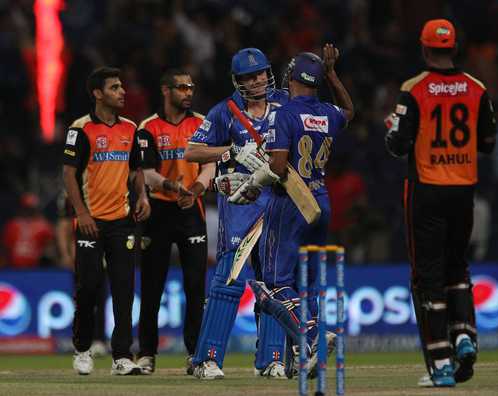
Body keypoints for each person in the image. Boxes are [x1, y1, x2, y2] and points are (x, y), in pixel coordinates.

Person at [384, 19, 497, 387]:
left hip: (427, 190)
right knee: (457, 269)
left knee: (427, 277)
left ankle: (442, 363)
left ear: (424, 47)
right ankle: (464, 335)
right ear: (454, 47)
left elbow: (397, 145)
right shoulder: (476, 88)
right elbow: (488, 142)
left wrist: (393, 129)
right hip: (464, 189)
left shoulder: (415, 89)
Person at [229, 44, 354, 377]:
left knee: (272, 284)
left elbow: (279, 166)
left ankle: (312, 337)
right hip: (321, 201)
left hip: (290, 203)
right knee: (307, 284)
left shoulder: (284, 114)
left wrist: (253, 183)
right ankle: (307, 351)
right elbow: (349, 111)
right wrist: (332, 74)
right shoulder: (328, 113)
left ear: (292, 78)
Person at [184, 48, 289, 379]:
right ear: (238, 81)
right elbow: (192, 150)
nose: (257, 80)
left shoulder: (285, 105)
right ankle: (207, 359)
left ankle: (271, 359)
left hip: (276, 206)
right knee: (228, 284)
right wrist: (230, 150)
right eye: (250, 76)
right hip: (241, 207)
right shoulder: (225, 112)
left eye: (261, 73)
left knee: (274, 285)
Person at [63, 66, 151, 376]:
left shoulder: (130, 128)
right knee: (88, 287)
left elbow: (136, 170)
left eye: (121, 86)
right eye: (114, 87)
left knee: (125, 289)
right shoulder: (81, 129)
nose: (122, 92)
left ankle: (122, 356)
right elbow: (69, 174)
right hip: (91, 223)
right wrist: (82, 213)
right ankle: (83, 348)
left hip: (122, 222)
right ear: (98, 94)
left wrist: (142, 198)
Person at [135, 68, 209, 375]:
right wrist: (171, 187)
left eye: (191, 87)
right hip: (159, 211)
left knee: (195, 286)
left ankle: (195, 354)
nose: (188, 92)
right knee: (152, 287)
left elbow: (210, 166)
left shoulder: (203, 123)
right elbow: (146, 173)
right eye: (181, 88)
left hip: (192, 210)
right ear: (166, 91)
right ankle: (147, 354)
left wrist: (194, 190)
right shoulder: (148, 127)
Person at [56, 189, 108, 357]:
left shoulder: (104, 187)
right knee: (84, 298)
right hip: (80, 255)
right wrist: (66, 254)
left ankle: (99, 340)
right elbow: (64, 227)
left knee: (100, 299)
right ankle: (82, 343)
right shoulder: (68, 195)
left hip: (102, 254)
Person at [1, 193, 54, 268]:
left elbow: (50, 248)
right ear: (21, 208)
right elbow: (5, 248)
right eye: (27, 208)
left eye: (31, 209)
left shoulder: (43, 225)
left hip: (36, 267)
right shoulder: (13, 224)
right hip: (13, 267)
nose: (29, 211)